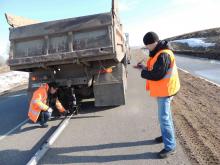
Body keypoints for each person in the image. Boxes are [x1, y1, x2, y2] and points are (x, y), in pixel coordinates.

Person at [138, 32, 180, 158]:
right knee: (166, 117)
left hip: (166, 91)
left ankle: (170, 147)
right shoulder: (159, 52)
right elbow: (156, 69)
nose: (147, 47)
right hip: (164, 89)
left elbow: (157, 75)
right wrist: (144, 68)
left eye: (148, 45)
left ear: (153, 43)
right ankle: (166, 136)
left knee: (164, 118)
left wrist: (143, 73)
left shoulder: (164, 55)